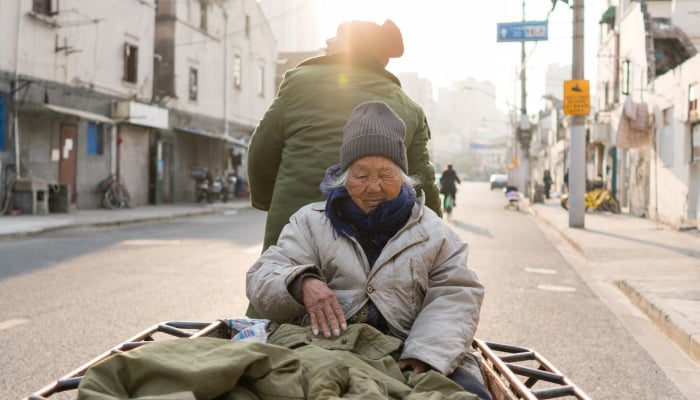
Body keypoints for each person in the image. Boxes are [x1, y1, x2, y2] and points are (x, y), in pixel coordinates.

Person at [246, 101, 491, 399]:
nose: (373, 187)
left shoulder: (433, 232)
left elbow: (456, 293)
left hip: (406, 351)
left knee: (466, 392)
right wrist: (300, 283)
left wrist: (425, 353)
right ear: (343, 175)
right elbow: (264, 275)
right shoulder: (310, 222)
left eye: (386, 175)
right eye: (361, 176)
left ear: (402, 177)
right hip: (323, 347)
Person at [247, 18, 442, 255]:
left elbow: (261, 156)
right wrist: (437, 241)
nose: (329, 40)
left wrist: (269, 203)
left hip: (295, 241)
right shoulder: (410, 108)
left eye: (337, 35)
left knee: (286, 285)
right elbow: (424, 187)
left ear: (353, 48)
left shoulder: (299, 84)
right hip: (376, 251)